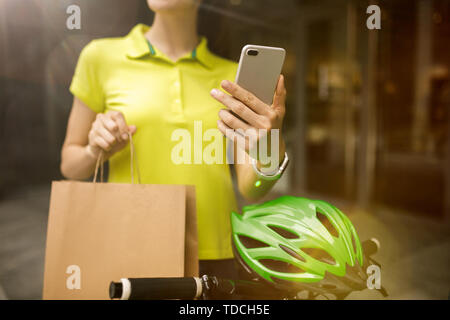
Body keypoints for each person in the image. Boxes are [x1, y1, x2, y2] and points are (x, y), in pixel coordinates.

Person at [60, 0, 287, 278]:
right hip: (131, 248)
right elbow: (70, 165)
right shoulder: (99, 57)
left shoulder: (231, 78)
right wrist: (95, 150)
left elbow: (252, 188)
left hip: (216, 256)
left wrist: (270, 146)